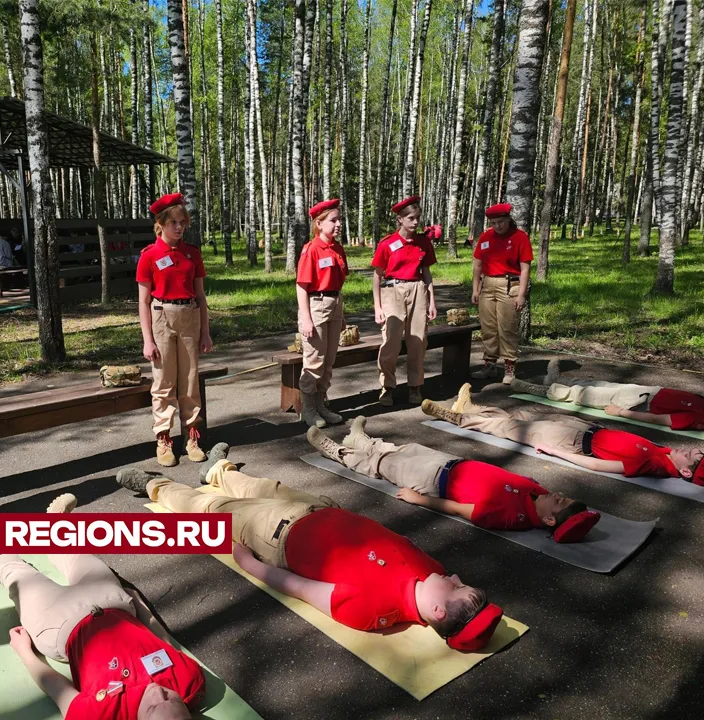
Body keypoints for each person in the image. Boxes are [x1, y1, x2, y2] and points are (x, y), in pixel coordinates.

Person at [115, 449, 504, 652]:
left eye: (456, 588)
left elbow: (300, 587)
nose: (454, 577)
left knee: (210, 511)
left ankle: (156, 486)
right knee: (260, 485)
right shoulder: (433, 568)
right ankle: (219, 471)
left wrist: (250, 564)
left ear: (438, 612)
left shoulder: (372, 610)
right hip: (318, 507)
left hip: (276, 535)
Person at [0, 494, 204, 719]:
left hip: (60, 628)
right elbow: (165, 643)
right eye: (171, 698)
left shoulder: (99, 715)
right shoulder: (190, 681)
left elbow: (56, 688)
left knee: (18, 578)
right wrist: (141, 607)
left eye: (152, 707)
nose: (158, 691)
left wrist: (24, 650)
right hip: (113, 603)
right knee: (77, 555)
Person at [306, 417, 600, 541]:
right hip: (451, 464)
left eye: (560, 501)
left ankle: (340, 452)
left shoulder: (513, 517)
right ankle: (362, 440)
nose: (557, 494)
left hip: (435, 482)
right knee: (404, 450)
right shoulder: (539, 494)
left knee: (384, 465)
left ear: (549, 520)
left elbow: (460, 510)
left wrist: (419, 499)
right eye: (563, 495)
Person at [422, 384, 704, 484]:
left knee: (506, 428)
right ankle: (473, 408)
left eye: (694, 457)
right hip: (585, 429)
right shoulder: (664, 454)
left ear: (687, 473)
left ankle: (456, 417)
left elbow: (599, 465)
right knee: (522, 416)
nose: (691, 451)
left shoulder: (656, 466)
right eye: (699, 450)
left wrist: (555, 452)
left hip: (572, 442)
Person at [135, 193, 213, 467]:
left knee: (190, 379)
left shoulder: (192, 254)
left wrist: (205, 331)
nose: (179, 227)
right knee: (164, 380)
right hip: (161, 317)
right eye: (173, 223)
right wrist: (148, 340)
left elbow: (201, 296)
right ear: (161, 224)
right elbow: (143, 301)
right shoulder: (149, 256)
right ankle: (164, 438)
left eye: (182, 222)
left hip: (189, 314)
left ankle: (192, 436)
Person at [511, 359, 704, 431]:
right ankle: (556, 381)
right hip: (649, 392)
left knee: (587, 395)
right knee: (600, 384)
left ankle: (543, 390)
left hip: (639, 403)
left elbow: (658, 419)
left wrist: (621, 413)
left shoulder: (702, 419)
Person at [372, 195, 438, 408]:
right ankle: (387, 386)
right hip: (392, 291)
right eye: (410, 218)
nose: (415, 222)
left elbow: (426, 274)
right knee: (390, 341)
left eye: (417, 217)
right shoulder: (388, 244)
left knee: (418, 340)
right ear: (400, 219)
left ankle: (415, 385)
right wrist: (378, 306)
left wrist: (432, 302)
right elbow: (377, 276)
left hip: (417, 290)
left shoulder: (423, 243)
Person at [295, 198, 349, 428]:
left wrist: (341, 313)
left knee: (328, 361)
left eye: (339, 220)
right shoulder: (312, 249)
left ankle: (321, 404)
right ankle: (308, 409)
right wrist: (306, 318)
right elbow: (301, 286)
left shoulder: (337, 247)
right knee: (314, 360)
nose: (338, 225)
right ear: (319, 223)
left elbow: (339, 281)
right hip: (316, 305)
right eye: (333, 220)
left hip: (334, 303)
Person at [470, 203, 533, 384]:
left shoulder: (520, 237)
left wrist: (521, 294)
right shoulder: (486, 236)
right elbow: (478, 265)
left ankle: (509, 367)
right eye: (494, 223)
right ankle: (489, 364)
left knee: (507, 327)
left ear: (508, 220)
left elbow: (525, 268)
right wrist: (475, 288)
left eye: (501, 222)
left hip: (509, 284)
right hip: (487, 284)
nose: (497, 226)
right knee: (488, 327)